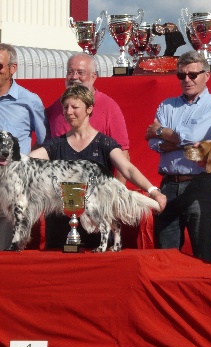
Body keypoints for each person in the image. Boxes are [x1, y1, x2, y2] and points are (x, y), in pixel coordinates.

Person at [30, 84, 166, 249]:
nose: (69, 112)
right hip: (59, 233)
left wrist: (153, 191)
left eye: (75, 107)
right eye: (65, 107)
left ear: (89, 109)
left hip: (95, 234)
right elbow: (27, 161)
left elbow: (128, 169)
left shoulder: (104, 143)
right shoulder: (55, 145)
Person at [145, 51, 211, 263]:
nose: (187, 80)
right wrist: (180, 140)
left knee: (205, 254)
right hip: (168, 186)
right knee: (166, 257)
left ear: (207, 75)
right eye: (181, 76)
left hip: (199, 184)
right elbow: (152, 141)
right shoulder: (167, 105)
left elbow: (193, 137)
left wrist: (162, 132)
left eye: (193, 75)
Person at [46, 52, 130, 183]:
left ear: (93, 77)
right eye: (70, 72)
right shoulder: (55, 107)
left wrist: (117, 196)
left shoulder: (109, 107)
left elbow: (123, 155)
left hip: (97, 190)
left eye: (80, 72)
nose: (74, 77)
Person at [0, 43, 48, 250]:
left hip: (12, 184)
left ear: (13, 68)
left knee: (6, 252)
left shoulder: (29, 101)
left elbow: (46, 142)